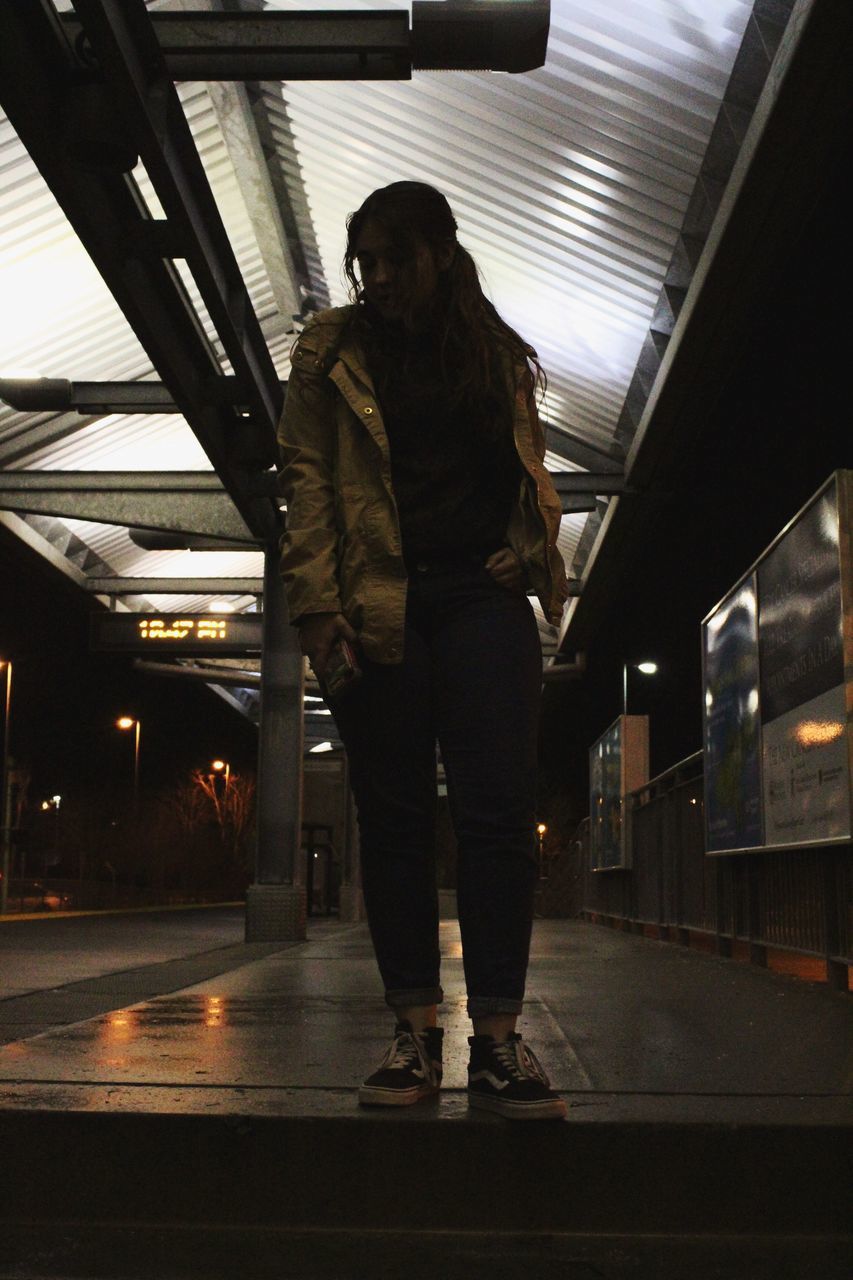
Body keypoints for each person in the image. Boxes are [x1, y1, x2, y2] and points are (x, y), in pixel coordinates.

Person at [277, 181, 569, 1120]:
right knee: (394, 818)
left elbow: (528, 468)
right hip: (379, 605)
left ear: (440, 252)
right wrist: (317, 610)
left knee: (494, 819)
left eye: (398, 257)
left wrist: (529, 550)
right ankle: (413, 1034)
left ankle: (495, 1042)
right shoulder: (335, 348)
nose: (381, 277)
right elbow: (309, 478)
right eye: (367, 260)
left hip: (480, 602)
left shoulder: (490, 351)